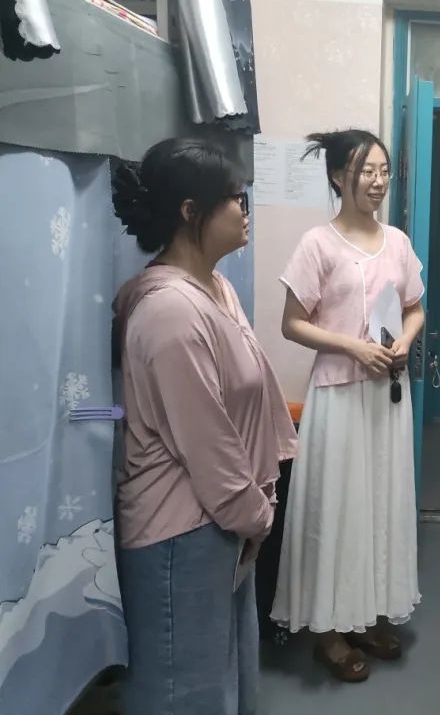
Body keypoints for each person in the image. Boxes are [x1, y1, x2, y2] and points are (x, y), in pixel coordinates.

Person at [111, 138, 297, 714]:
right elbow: (207, 445)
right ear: (191, 212)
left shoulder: (215, 288)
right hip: (182, 532)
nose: (244, 209)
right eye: (233, 199)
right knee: (185, 694)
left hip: (224, 521)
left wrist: (254, 511)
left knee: (225, 685)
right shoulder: (170, 311)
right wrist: (258, 517)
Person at [271, 129, 426, 682]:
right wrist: (353, 347)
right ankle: (329, 633)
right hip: (338, 396)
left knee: (380, 506)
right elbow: (292, 324)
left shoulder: (398, 242)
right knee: (337, 509)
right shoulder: (318, 244)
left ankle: (367, 616)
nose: (378, 181)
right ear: (339, 178)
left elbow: (414, 307)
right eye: (366, 171)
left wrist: (404, 340)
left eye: (383, 170)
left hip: (387, 397)